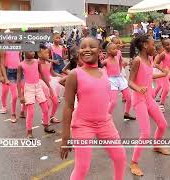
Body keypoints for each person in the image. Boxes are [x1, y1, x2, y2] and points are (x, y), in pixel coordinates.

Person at [60, 37, 126, 180]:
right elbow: (68, 107)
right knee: (82, 167)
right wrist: (65, 138)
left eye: (92, 46)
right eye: (83, 47)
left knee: (120, 157)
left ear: (100, 52)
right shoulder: (74, 74)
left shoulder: (103, 72)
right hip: (83, 125)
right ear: (79, 52)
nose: (87, 49)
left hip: (105, 123)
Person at [129, 34, 169, 176]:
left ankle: (156, 146)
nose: (155, 47)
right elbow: (130, 82)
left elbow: (149, 76)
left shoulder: (149, 59)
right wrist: (138, 88)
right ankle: (134, 162)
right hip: (139, 100)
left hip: (149, 98)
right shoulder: (137, 61)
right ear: (145, 45)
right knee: (145, 133)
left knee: (163, 124)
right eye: (153, 44)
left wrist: (163, 75)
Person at [17, 51, 55, 138]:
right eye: (30, 51)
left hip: (38, 86)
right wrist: (20, 95)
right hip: (29, 88)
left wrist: (49, 87)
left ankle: (46, 126)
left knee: (45, 109)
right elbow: (18, 81)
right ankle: (29, 132)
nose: (33, 53)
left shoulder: (37, 62)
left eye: (33, 51)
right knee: (30, 112)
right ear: (24, 52)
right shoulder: (21, 65)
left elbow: (42, 74)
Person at [101, 41, 135, 121]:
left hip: (120, 78)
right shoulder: (106, 61)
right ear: (108, 51)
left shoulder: (117, 55)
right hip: (111, 81)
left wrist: (121, 67)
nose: (116, 50)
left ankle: (126, 114)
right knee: (113, 102)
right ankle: (106, 118)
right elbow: (97, 68)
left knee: (129, 98)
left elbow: (120, 61)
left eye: (116, 48)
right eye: (114, 49)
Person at [38, 44, 63, 123]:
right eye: (45, 53)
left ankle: (51, 116)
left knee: (55, 102)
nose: (48, 55)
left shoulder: (49, 63)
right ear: (39, 54)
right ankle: (44, 118)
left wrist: (60, 76)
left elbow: (52, 72)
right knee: (47, 104)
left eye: (48, 53)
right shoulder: (36, 63)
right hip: (41, 86)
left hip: (49, 83)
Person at [0, 50, 25, 122]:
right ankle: (13, 114)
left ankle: (22, 111)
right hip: (10, 73)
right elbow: (2, 64)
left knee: (25, 92)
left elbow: (20, 59)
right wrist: (5, 78)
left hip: (19, 72)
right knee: (14, 95)